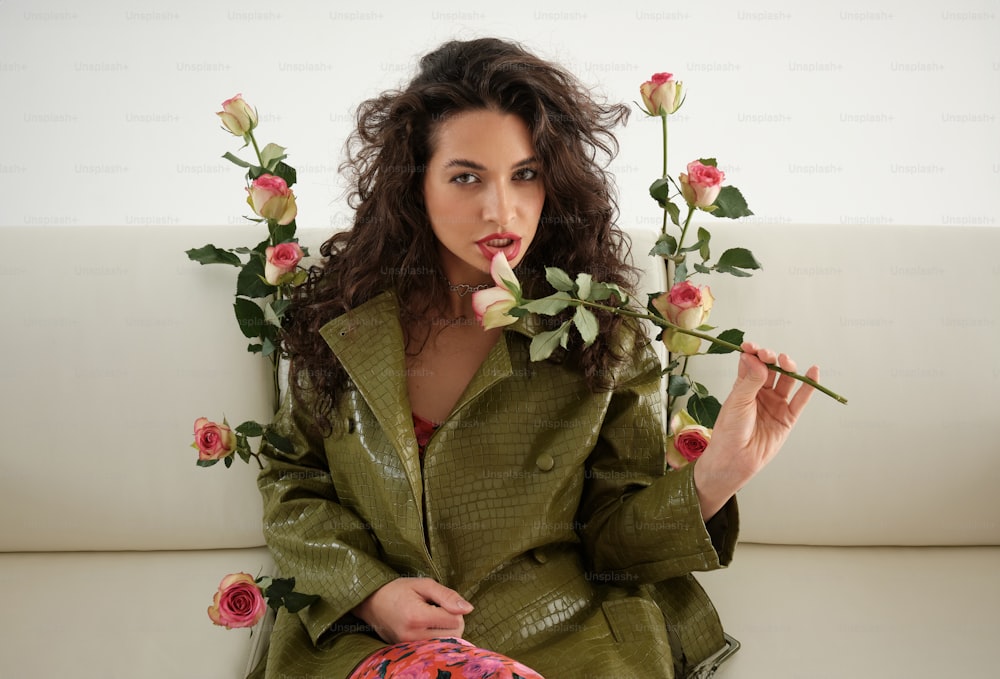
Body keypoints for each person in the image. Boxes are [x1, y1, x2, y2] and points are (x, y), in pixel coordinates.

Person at [251, 37, 818, 679]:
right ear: (415, 185)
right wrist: (371, 592)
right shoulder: (341, 324)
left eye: (525, 174)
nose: (502, 209)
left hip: (554, 631)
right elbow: (292, 481)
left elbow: (613, 546)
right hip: (369, 640)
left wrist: (717, 477)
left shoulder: (604, 337)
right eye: (466, 177)